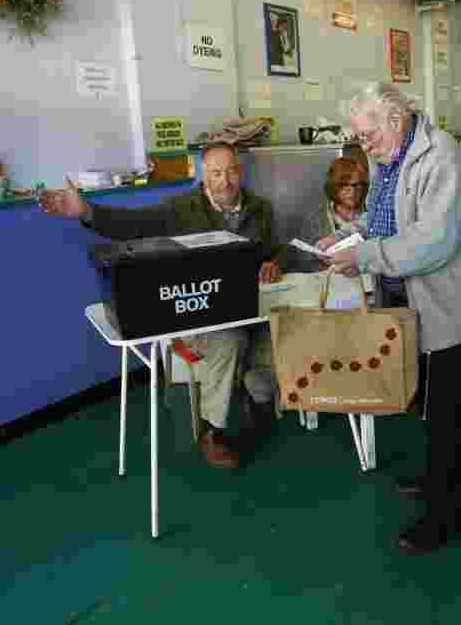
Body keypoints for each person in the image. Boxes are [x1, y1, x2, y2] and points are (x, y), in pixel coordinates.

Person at [317, 82, 461, 555]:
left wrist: (368, 256)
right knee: (432, 405)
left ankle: (449, 516)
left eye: (368, 135)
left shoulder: (442, 158)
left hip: (452, 305)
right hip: (412, 306)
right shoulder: (387, 157)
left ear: (396, 120)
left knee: (453, 413)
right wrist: (348, 238)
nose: (364, 146)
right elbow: (385, 219)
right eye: (360, 137)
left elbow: (433, 240)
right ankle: (439, 480)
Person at [38, 142, 283, 470]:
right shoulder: (182, 208)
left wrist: (272, 261)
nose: (225, 181)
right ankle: (213, 432)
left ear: (241, 172)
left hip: (249, 305)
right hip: (199, 316)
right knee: (231, 341)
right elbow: (133, 223)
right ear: (202, 176)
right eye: (216, 173)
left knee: (283, 329)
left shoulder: (260, 208)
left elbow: (272, 249)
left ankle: (255, 390)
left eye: (232, 171)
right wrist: (86, 211)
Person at [296, 156, 369, 272]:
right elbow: (306, 263)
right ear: (333, 187)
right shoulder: (317, 219)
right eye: (344, 185)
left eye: (356, 185)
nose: (352, 191)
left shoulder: (372, 214)